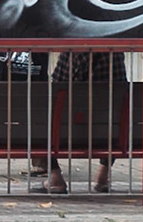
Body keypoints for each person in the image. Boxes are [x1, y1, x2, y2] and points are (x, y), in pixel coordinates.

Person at [45, 50, 128, 194]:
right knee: (117, 115)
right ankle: (104, 173)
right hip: (109, 132)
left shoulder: (73, 51)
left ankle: (55, 176)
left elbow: (59, 84)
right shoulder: (116, 51)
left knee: (38, 121)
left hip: (69, 131)